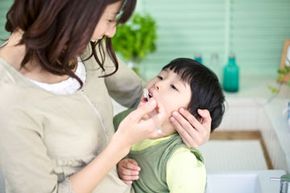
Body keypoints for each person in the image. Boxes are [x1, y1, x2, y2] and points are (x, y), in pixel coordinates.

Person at [0, 1, 212, 193]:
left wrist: (191, 126)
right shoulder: (9, 98)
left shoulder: (83, 45)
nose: (111, 32)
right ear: (73, 11)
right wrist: (119, 148)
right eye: (110, 19)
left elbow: (143, 95)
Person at [114, 58, 225, 193]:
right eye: (161, 76)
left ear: (193, 118)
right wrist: (118, 165)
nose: (159, 84)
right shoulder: (122, 120)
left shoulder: (182, 161)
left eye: (174, 87)